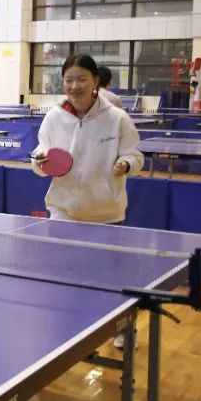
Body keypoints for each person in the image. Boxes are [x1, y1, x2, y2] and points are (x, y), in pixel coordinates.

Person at [32, 54, 143, 350]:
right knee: (64, 276)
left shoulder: (117, 118)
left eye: (81, 79)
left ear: (96, 81)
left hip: (106, 212)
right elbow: (41, 151)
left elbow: (135, 154)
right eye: (69, 80)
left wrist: (126, 164)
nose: (74, 86)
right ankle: (71, 327)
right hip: (63, 210)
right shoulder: (54, 117)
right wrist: (39, 160)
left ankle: (124, 328)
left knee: (112, 279)